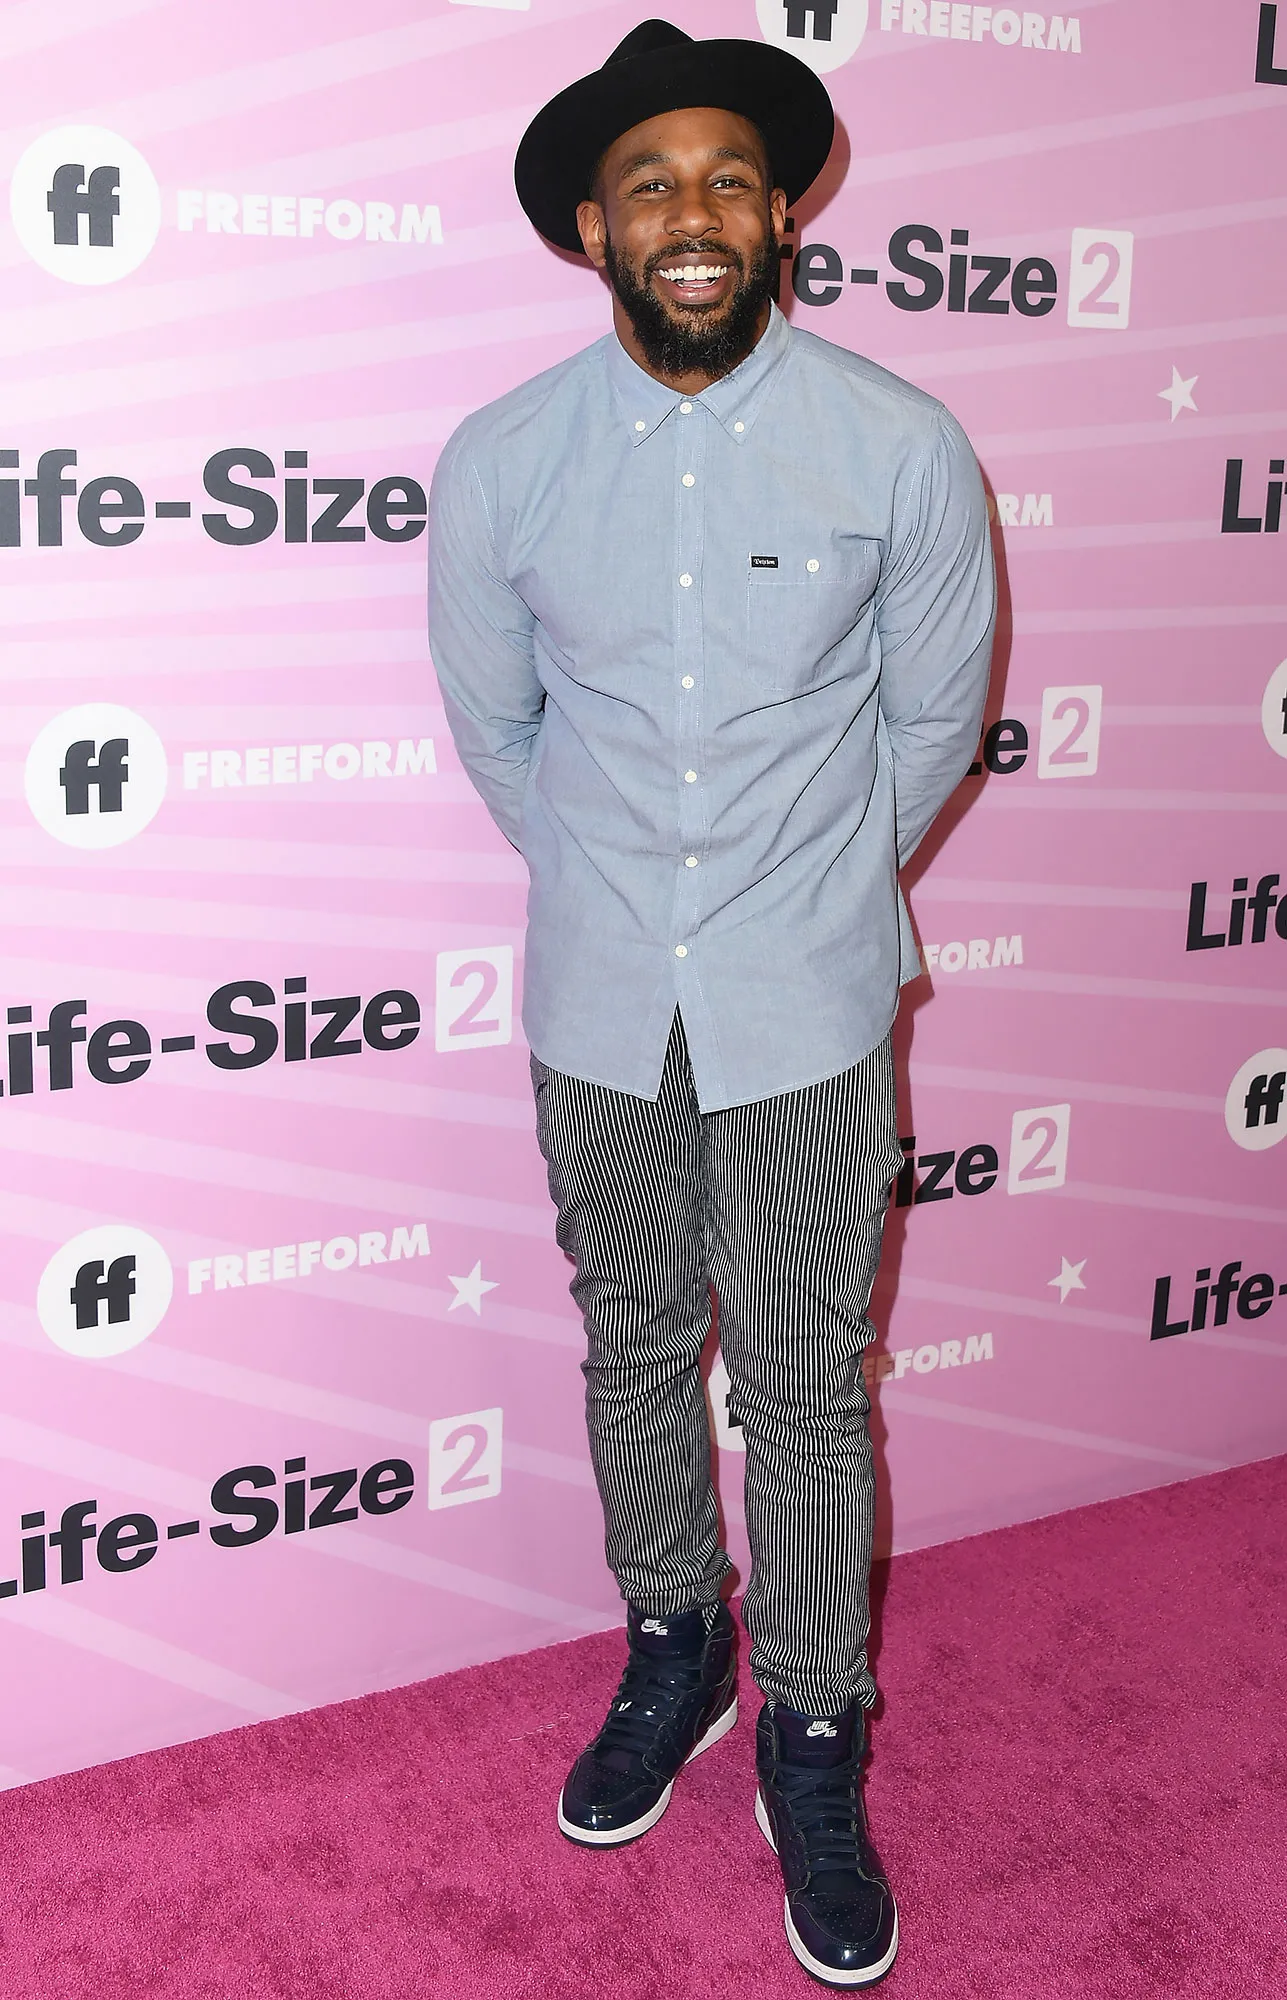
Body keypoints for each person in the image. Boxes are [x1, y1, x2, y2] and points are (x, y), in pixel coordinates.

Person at [427, 20, 995, 1987]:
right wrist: (632, 898)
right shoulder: (503, 461)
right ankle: (673, 1644)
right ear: (594, 227)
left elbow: (928, 731)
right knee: (631, 1346)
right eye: (651, 182)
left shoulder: (899, 445)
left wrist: (794, 903)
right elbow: (501, 735)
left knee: (810, 1381)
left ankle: (813, 1728)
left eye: (730, 178)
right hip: (597, 994)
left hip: (811, 999)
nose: (693, 212)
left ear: (780, 217)